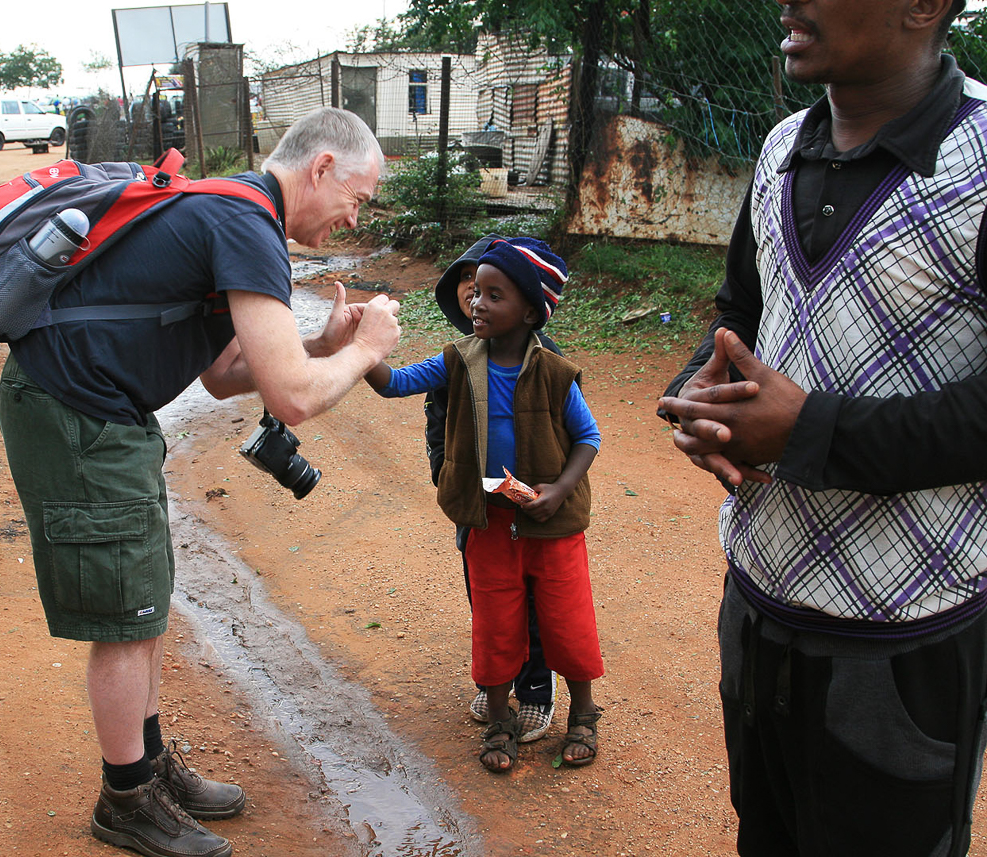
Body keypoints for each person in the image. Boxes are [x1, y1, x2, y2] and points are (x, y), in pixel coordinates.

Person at [0, 106, 401, 857]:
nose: (355, 215)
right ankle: (126, 799)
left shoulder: (233, 207)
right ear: (321, 168)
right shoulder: (246, 222)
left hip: (102, 409)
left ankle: (147, 766)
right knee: (126, 610)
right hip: (76, 407)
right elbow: (294, 398)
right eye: (359, 197)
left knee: (144, 597)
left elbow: (221, 375)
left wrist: (317, 341)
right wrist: (367, 348)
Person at [657, 1, 987, 854]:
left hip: (903, 641)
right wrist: (702, 391)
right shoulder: (779, 148)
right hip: (758, 610)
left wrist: (809, 432)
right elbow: (743, 309)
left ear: (926, 7)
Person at [366, 237, 604, 772]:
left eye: (494, 296)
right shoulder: (458, 360)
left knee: (566, 621)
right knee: (495, 621)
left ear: (529, 311)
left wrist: (559, 490)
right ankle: (501, 721)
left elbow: (588, 437)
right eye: (476, 293)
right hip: (488, 523)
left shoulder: (556, 372)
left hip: (553, 524)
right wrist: (362, 348)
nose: (477, 304)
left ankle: (584, 714)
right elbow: (393, 384)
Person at [427, 234, 561, 742]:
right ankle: (495, 682)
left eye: (483, 283)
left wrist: (550, 489)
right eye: (465, 279)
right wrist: (445, 472)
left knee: (532, 601)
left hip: (529, 508)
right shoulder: (456, 358)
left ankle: (535, 691)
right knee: (486, 599)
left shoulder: (545, 359)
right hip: (477, 509)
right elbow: (435, 419)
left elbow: (571, 433)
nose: (472, 291)